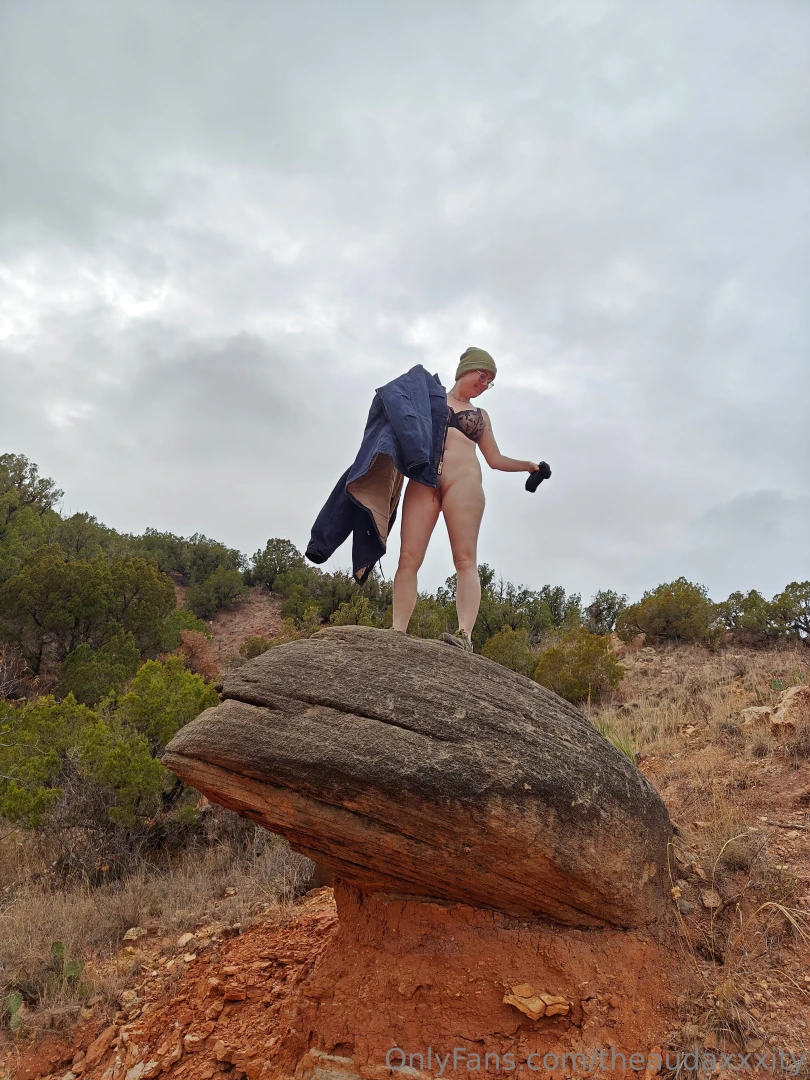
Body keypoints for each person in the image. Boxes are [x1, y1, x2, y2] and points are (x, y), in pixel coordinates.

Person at [392, 347, 540, 651]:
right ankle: (397, 632)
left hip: (465, 482)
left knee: (465, 559)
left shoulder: (481, 415)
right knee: (408, 558)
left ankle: (464, 636)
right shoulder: (429, 397)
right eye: (482, 375)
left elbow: (495, 459)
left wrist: (527, 466)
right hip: (424, 478)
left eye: (490, 381)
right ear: (465, 370)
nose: (484, 383)